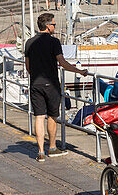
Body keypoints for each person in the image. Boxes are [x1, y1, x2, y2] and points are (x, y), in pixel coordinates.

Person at [25, 12, 89, 162]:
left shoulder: (29, 42)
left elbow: (28, 66)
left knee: (39, 117)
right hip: (51, 84)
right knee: (52, 116)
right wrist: (80, 71)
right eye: (53, 24)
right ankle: (52, 148)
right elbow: (62, 63)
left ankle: (40, 151)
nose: (55, 27)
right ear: (48, 26)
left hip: (35, 83)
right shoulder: (54, 42)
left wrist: (35, 76)